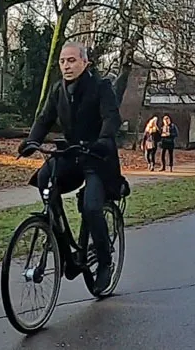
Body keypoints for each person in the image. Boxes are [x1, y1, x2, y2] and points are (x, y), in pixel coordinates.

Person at [19, 41, 122, 293]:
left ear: (85, 62)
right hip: (72, 154)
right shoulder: (58, 90)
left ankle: (105, 261)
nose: (66, 66)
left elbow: (111, 118)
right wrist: (32, 141)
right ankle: (63, 243)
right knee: (44, 178)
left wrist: (104, 140)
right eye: (63, 61)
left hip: (97, 157)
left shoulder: (101, 87)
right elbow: (44, 118)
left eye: (72, 60)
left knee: (91, 206)